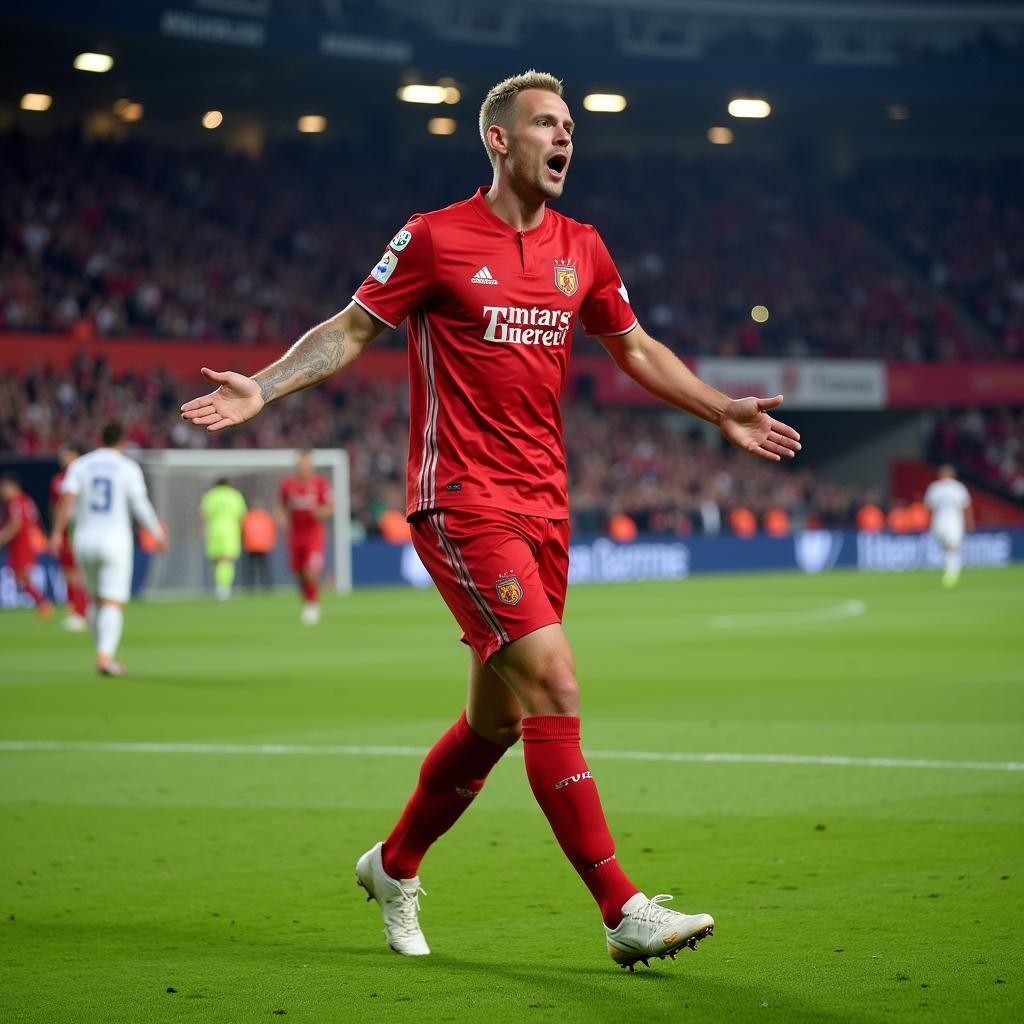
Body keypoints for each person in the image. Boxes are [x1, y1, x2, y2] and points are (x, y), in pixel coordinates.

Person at [180, 70, 802, 970]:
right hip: (460, 500)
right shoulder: (434, 238)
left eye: (571, 127)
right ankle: (621, 907)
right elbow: (352, 330)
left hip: (546, 506)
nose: (564, 139)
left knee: (496, 724)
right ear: (499, 139)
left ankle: (393, 867)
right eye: (546, 124)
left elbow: (632, 345)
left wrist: (720, 410)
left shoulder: (581, 247)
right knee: (556, 685)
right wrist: (265, 385)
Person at [49, 422, 168, 676]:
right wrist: (157, 534)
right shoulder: (127, 467)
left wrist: (57, 534)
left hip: (84, 539)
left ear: (99, 438)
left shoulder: (80, 465)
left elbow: (67, 500)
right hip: (115, 541)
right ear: (122, 442)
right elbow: (140, 504)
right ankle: (105, 657)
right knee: (112, 603)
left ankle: (101, 649)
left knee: (94, 599)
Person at [276, 450, 333, 624]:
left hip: (314, 535)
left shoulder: (320, 484)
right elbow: (280, 506)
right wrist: (281, 518)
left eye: (305, 464)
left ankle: (313, 605)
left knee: (310, 571)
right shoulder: (288, 485)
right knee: (298, 571)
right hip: (295, 534)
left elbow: (330, 506)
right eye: (299, 464)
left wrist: (320, 512)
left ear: (310, 466)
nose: (302, 468)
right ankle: (308, 602)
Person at [0, 472, 53, 619]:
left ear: (13, 486)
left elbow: (15, 525)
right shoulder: (25, 500)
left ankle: (43, 603)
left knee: (22, 577)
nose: (3, 491)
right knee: (19, 578)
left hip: (21, 544)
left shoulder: (16, 502)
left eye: (4, 487)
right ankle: (41, 603)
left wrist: (2, 537)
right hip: (23, 543)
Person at [50, 443, 90, 630]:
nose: (63, 458)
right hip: (64, 530)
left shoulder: (83, 475)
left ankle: (81, 613)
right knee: (68, 572)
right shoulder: (58, 479)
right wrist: (55, 530)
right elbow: (55, 506)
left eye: (67, 454)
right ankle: (75, 610)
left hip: (79, 527)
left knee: (77, 573)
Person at [924, 464, 973, 588]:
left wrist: (969, 522)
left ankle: (953, 572)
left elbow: (966, 506)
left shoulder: (958, 488)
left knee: (952, 545)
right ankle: (951, 567)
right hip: (939, 521)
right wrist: (927, 522)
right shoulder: (935, 488)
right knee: (942, 543)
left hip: (954, 521)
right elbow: (929, 506)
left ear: (952, 474)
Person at [200, 477, 247, 601]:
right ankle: (224, 587)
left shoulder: (210, 496)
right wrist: (243, 532)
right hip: (231, 530)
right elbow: (242, 516)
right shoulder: (235, 495)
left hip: (214, 530)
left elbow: (204, 516)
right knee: (228, 560)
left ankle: (219, 586)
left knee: (216, 560)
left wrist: (201, 530)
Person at [241, 505, 277, 590]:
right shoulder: (266, 517)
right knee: (264, 568)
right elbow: (271, 531)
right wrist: (271, 543)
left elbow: (243, 531)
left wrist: (244, 543)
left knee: (251, 568)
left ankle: (250, 587)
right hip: (263, 546)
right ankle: (267, 586)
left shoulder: (248, 517)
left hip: (251, 545)